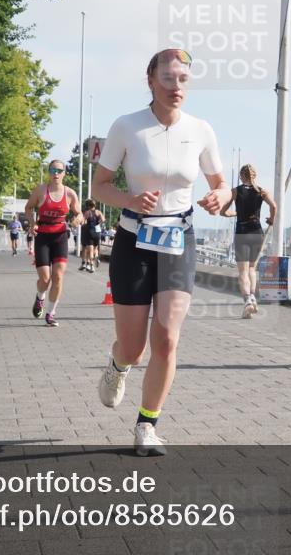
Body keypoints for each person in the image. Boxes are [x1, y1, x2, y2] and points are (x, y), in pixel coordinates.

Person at [92, 48, 229, 456]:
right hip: (134, 240)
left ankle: (146, 425)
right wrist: (129, 201)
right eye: (168, 78)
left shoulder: (201, 129)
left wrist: (219, 197)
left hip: (178, 240)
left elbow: (221, 185)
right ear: (150, 80)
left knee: (167, 339)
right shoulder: (126, 127)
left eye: (183, 79)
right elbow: (98, 187)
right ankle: (118, 366)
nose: (176, 86)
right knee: (133, 347)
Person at [25, 161, 83, 327]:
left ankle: (51, 313)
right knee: (45, 278)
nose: (56, 173)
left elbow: (78, 213)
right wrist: (32, 223)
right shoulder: (41, 190)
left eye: (59, 170)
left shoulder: (70, 194)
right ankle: (40, 297)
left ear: (64, 173)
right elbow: (28, 208)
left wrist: (77, 219)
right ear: (48, 172)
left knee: (57, 277)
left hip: (60, 238)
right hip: (43, 237)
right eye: (52, 170)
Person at [220, 164, 276, 318]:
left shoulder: (236, 191)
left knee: (243, 272)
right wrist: (271, 219)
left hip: (242, 232)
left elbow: (223, 211)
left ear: (241, 176)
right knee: (252, 269)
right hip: (257, 232)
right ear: (254, 176)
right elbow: (274, 206)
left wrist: (233, 214)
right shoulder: (261, 191)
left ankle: (247, 301)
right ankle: (253, 297)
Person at [79, 200, 104, 273]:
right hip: (97, 232)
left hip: (90, 232)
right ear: (94, 205)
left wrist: (82, 224)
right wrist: (98, 224)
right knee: (95, 248)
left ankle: (92, 266)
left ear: (88, 206)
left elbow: (83, 222)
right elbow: (103, 219)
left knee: (90, 250)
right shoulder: (98, 212)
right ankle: (96, 257)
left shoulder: (87, 213)